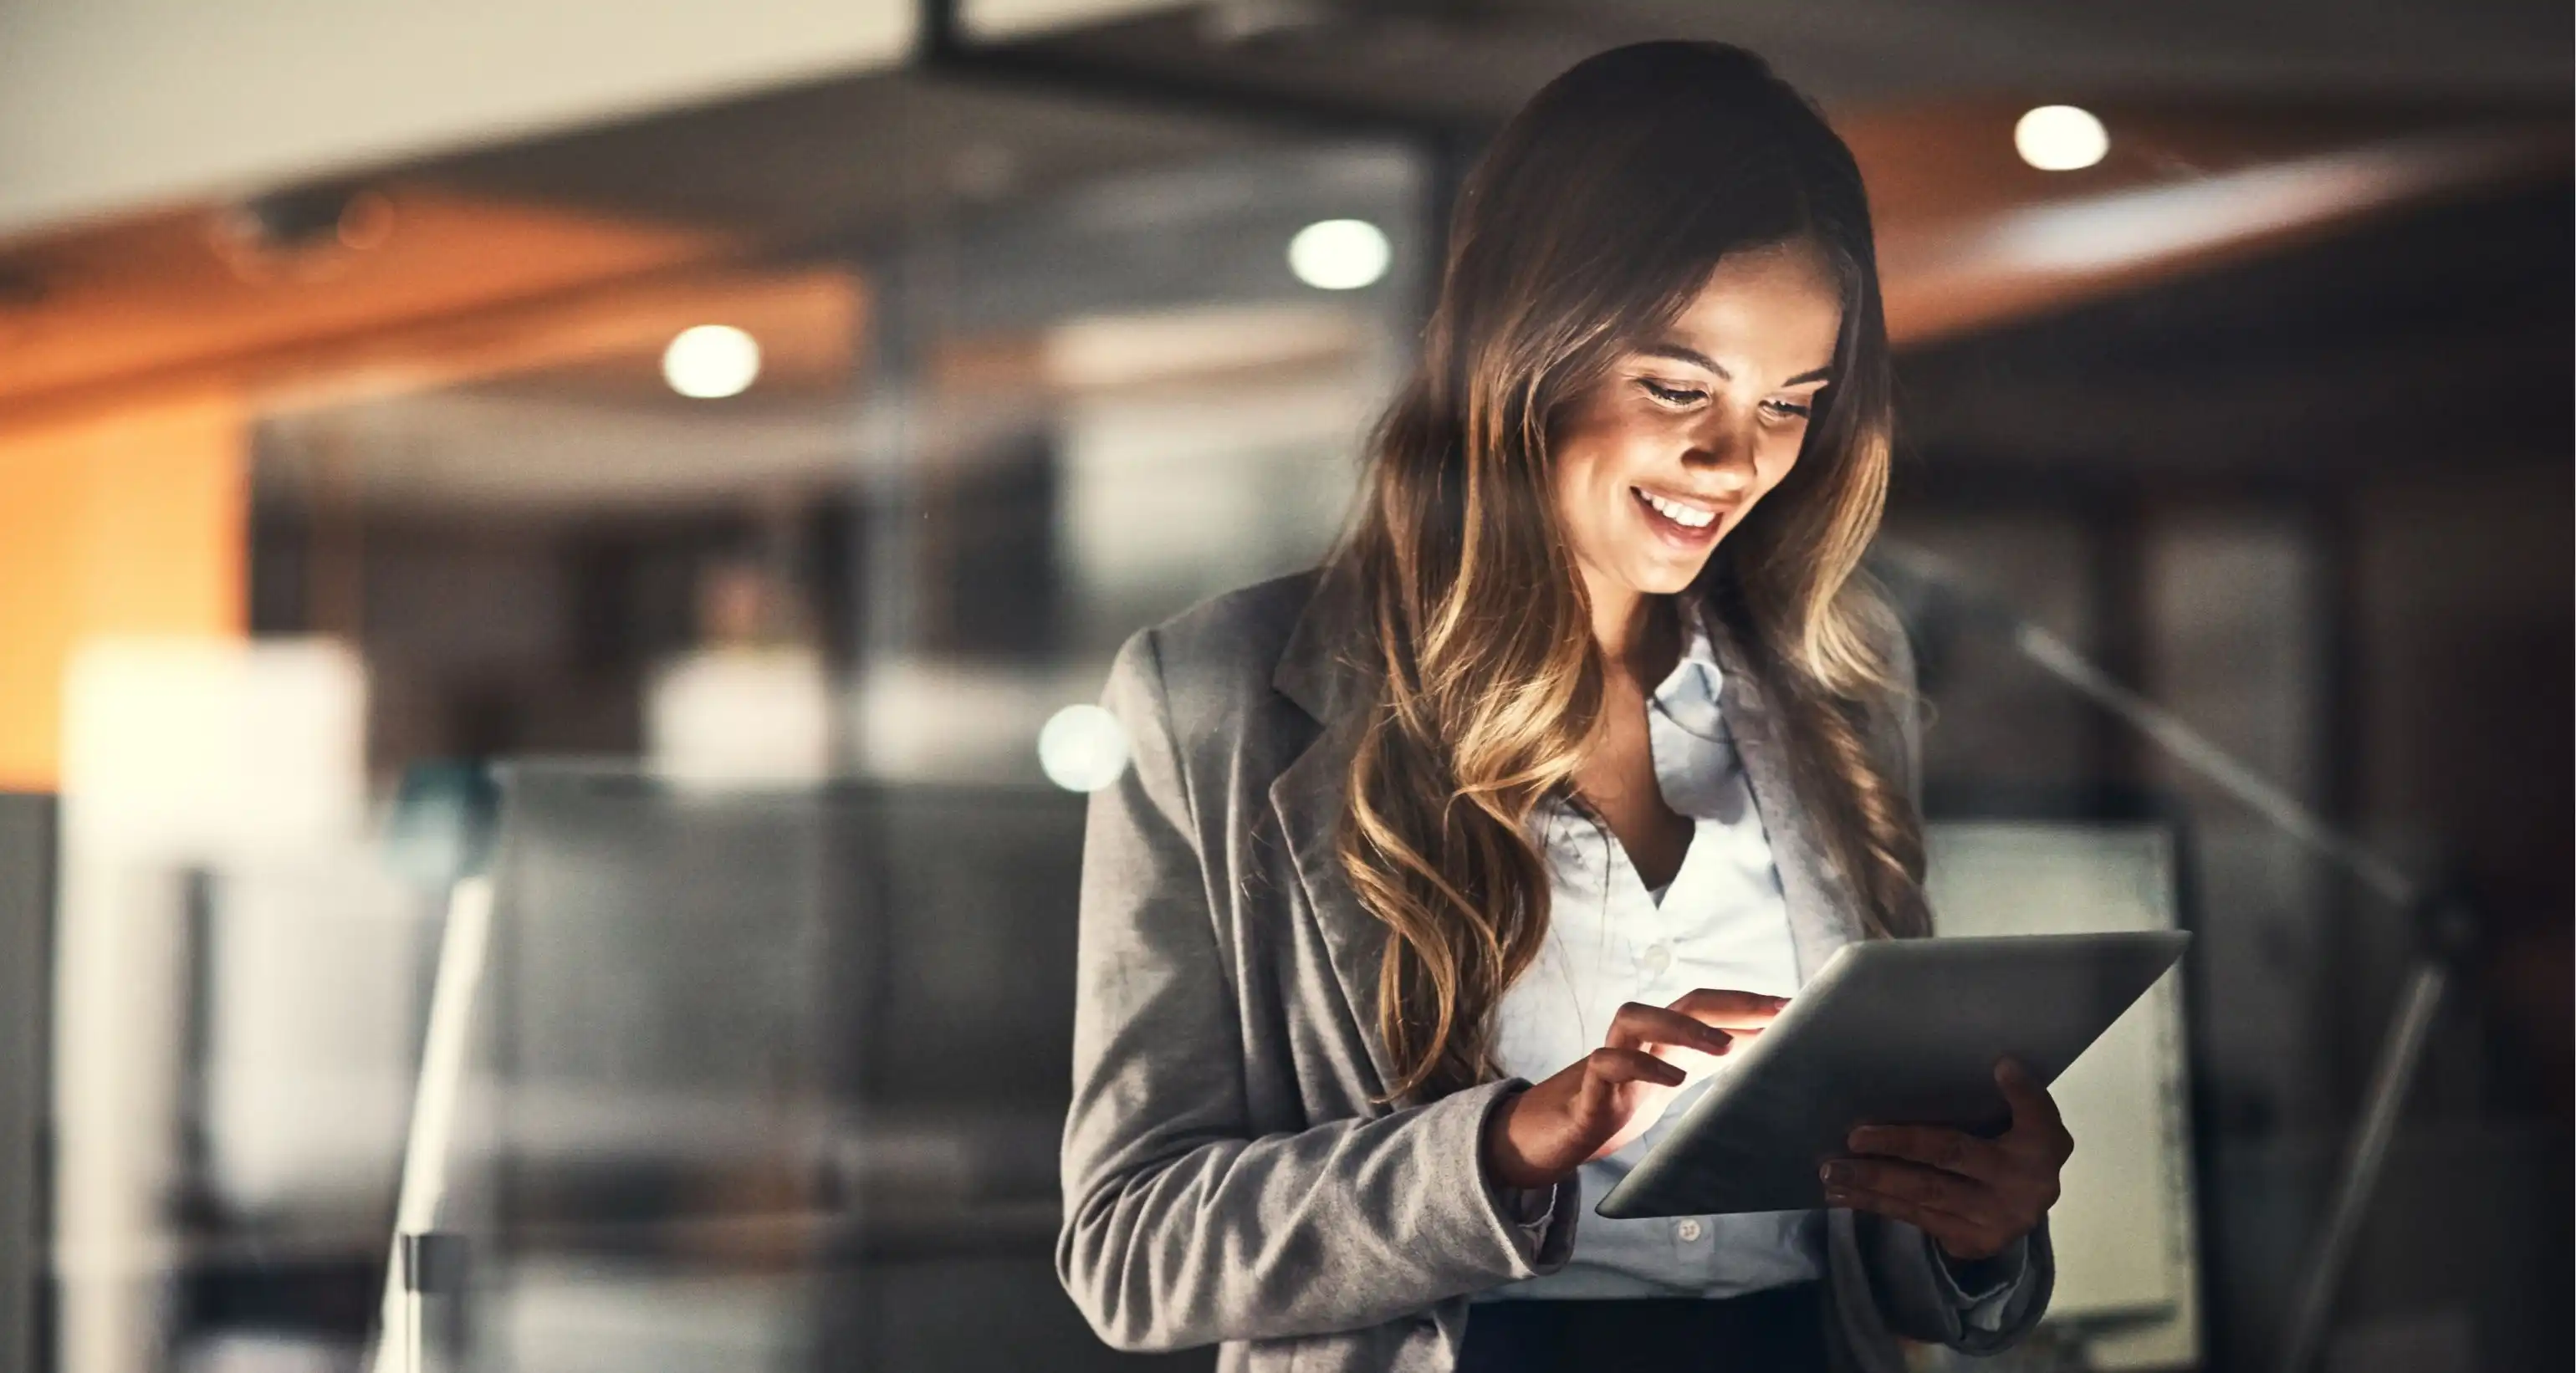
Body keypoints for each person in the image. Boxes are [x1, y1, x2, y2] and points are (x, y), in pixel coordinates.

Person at [1056, 41, 2069, 1373]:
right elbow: (1132, 1246)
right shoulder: (1220, 697)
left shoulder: (1837, 678)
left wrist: (1976, 1227)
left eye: (1790, 404)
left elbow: (1876, 1240)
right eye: (1675, 387)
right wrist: (1506, 1142)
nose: (1736, 460)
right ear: (1525, 348)